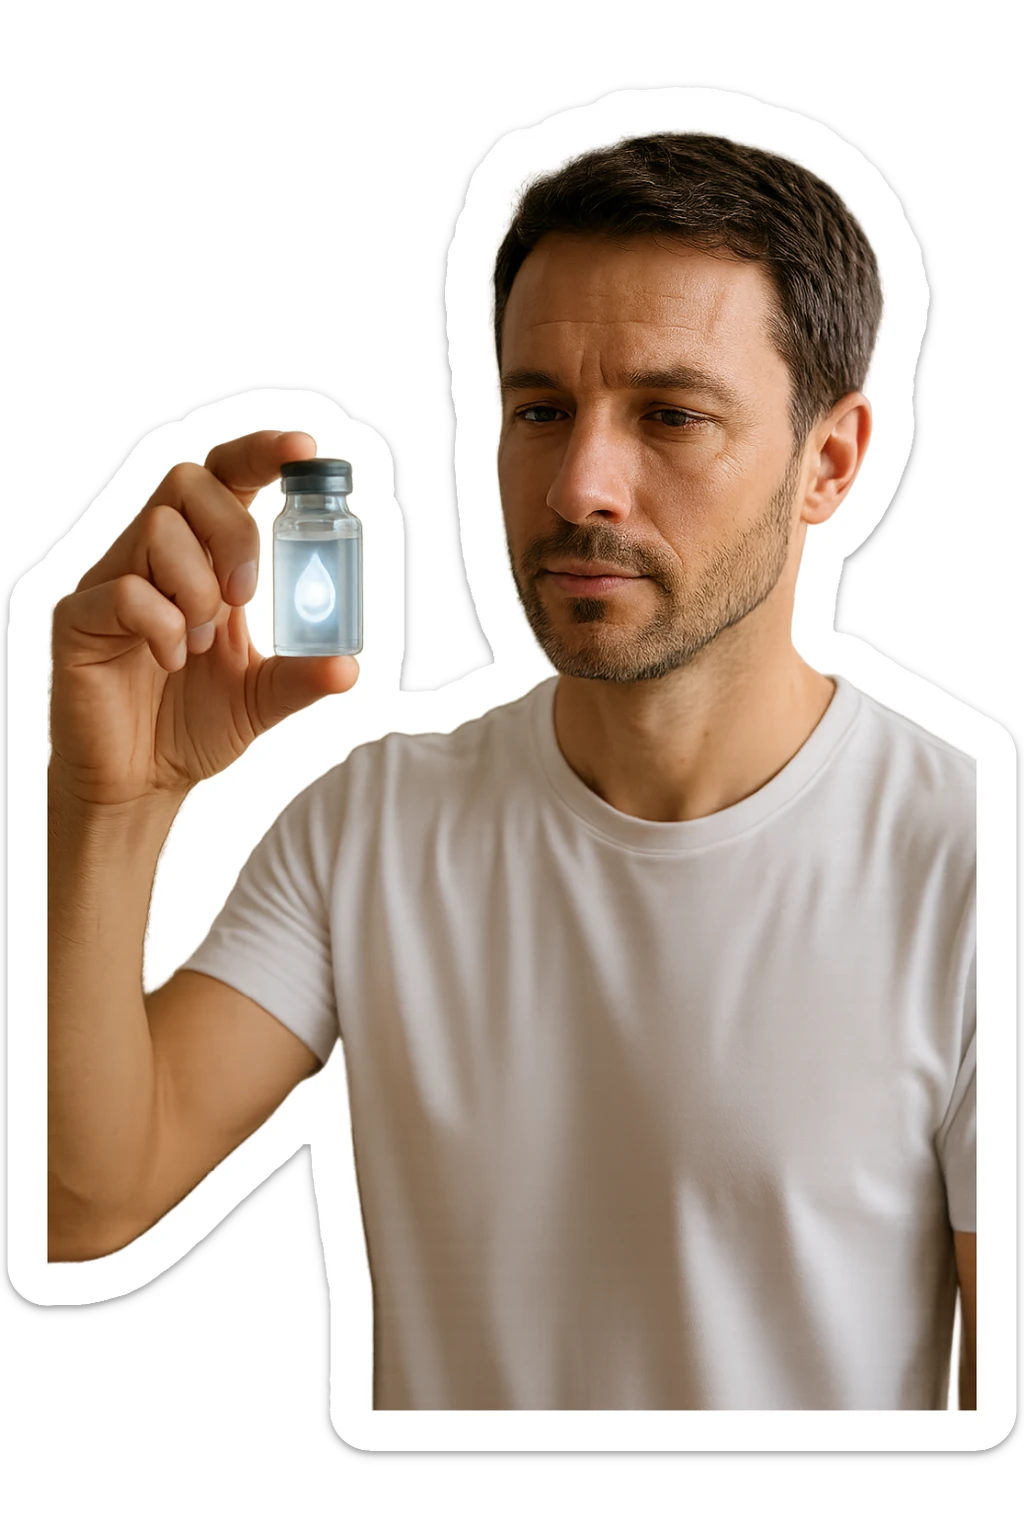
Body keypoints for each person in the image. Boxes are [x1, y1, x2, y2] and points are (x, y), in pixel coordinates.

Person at [47, 132, 976, 1411]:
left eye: (671, 415)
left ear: (828, 461)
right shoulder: (373, 825)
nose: (582, 483)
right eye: (539, 409)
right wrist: (110, 801)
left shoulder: (973, 868)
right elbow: (76, 1201)